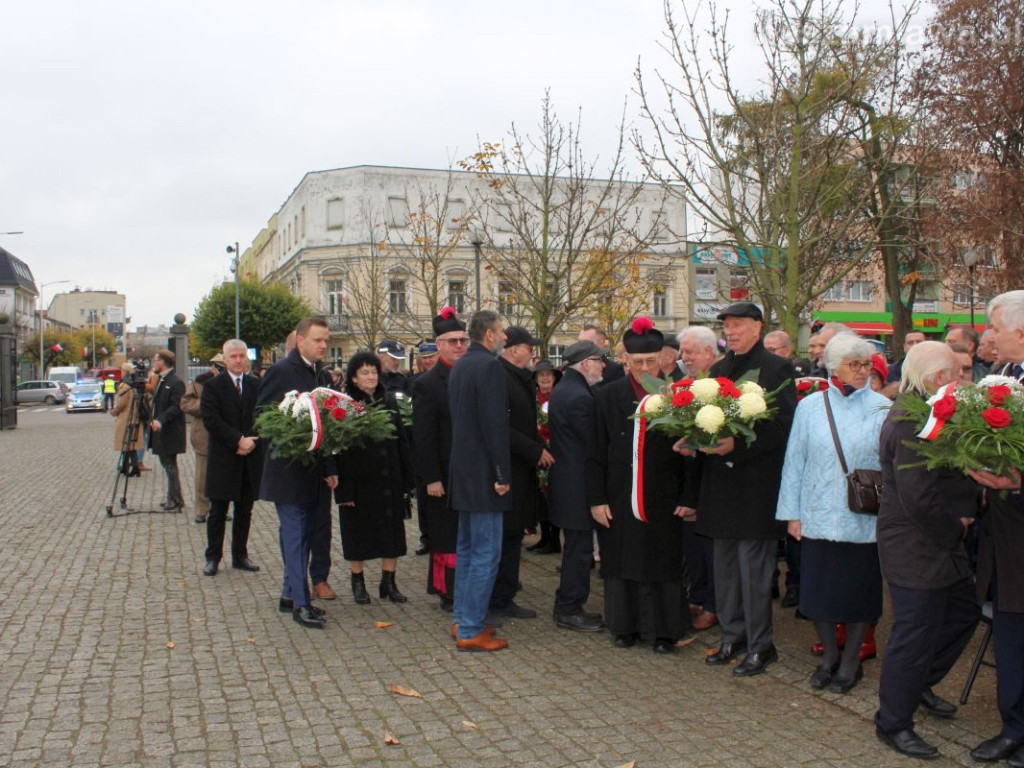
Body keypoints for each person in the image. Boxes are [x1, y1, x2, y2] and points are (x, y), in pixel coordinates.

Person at [678, 302, 797, 677]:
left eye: (738, 325)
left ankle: (761, 645)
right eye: (727, 326)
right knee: (726, 572)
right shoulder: (718, 370)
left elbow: (782, 427)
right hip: (720, 489)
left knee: (754, 575)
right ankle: (733, 636)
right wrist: (691, 439)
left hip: (755, 491)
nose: (730, 331)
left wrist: (738, 446)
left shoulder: (776, 368)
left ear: (757, 327)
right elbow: (704, 419)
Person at [874, 341, 980, 759]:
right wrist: (956, 528)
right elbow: (918, 495)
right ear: (938, 378)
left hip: (938, 542)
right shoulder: (909, 420)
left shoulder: (929, 410)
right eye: (958, 372)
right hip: (916, 545)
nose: (963, 378)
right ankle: (893, 722)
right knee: (913, 635)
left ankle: (916, 684)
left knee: (963, 612)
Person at [777, 334, 890, 693]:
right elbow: (794, 460)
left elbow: (890, 465)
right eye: (854, 364)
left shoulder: (883, 408)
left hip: (863, 518)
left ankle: (852, 660)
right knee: (819, 594)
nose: (862, 371)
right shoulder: (811, 407)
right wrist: (792, 514)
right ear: (833, 367)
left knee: (860, 596)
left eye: (866, 364)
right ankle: (829, 657)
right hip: (818, 514)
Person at [588, 317, 691, 653]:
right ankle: (624, 626)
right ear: (624, 359)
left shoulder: (679, 397)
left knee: (663, 562)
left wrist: (690, 497)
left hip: (665, 494)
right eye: (637, 362)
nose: (644, 368)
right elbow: (594, 451)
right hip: (619, 494)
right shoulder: (607, 396)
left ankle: (664, 633)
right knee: (622, 560)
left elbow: (693, 454)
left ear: (664, 358)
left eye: (651, 361)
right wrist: (596, 499)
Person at [969, 291, 1024, 766]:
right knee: (1011, 636)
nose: (989, 336)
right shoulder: (1001, 377)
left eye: (997, 329)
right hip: (1003, 537)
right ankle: (1014, 727)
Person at [257, 317, 339, 628]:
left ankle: (289, 595)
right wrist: (293, 429)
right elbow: (261, 415)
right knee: (294, 537)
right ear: (300, 341)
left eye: (326, 340)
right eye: (318, 340)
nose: (324, 345)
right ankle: (301, 605)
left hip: (314, 471)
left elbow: (326, 424)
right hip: (288, 471)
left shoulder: (321, 374)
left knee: (305, 535)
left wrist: (329, 467)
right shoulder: (281, 371)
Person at [447, 310, 511, 652]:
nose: (505, 337)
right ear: (489, 335)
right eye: (501, 331)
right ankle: (470, 628)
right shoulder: (489, 367)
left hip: (464, 471)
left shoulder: (461, 365)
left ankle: (462, 618)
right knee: (485, 554)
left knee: (469, 551)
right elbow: (494, 425)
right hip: (485, 475)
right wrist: (502, 474)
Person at [334, 351, 414, 605]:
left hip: (388, 478)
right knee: (357, 532)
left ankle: (388, 581)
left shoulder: (388, 400)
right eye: (364, 372)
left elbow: (401, 440)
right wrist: (343, 491)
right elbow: (339, 450)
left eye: (374, 372)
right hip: (358, 482)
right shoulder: (345, 405)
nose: (371, 377)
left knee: (392, 532)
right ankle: (357, 581)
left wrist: (407, 478)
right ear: (354, 378)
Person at [411, 307, 468, 610]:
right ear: (439, 344)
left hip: (468, 472)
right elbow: (423, 437)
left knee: (464, 533)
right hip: (442, 474)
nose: (459, 346)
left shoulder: (471, 374)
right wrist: (431, 477)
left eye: (463, 340)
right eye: (453, 341)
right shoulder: (427, 383)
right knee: (446, 535)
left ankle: (466, 586)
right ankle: (447, 591)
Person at [548, 339, 606, 632]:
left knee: (575, 548)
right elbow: (592, 444)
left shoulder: (565, 388)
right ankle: (569, 608)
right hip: (577, 485)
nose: (603, 366)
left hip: (567, 482)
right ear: (585, 364)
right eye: (599, 361)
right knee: (579, 551)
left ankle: (567, 604)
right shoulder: (580, 396)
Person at [492, 327, 549, 619]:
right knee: (505, 536)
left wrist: (540, 445)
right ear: (514, 350)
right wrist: (535, 450)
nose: (533, 353)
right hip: (507, 469)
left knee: (514, 535)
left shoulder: (520, 376)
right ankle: (499, 598)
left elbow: (525, 424)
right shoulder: (499, 376)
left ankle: (506, 594)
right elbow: (502, 427)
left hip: (521, 468)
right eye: (529, 347)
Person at [200, 340, 261, 577]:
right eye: (233, 356)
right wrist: (238, 440)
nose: (238, 360)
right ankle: (213, 557)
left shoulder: (256, 384)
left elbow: (261, 415)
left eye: (242, 356)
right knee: (218, 511)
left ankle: (240, 555)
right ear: (224, 359)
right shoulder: (213, 386)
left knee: (245, 510)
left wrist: (250, 441)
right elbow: (211, 419)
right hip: (224, 457)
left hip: (249, 457)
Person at [675, 326, 719, 631]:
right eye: (682, 352)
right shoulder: (683, 386)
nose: (684, 357)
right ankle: (698, 595)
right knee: (693, 544)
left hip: (713, 481)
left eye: (689, 352)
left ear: (708, 352)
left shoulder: (722, 386)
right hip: (687, 481)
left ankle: (713, 604)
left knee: (710, 549)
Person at [180, 354, 224, 525]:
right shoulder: (198, 383)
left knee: (223, 475)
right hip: (204, 435)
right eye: (217, 367)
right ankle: (201, 509)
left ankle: (221, 508)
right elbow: (185, 404)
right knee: (203, 476)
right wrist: (206, 404)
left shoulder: (232, 383)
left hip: (225, 435)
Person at [528, 359, 562, 554]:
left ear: (554, 378)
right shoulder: (531, 397)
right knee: (539, 498)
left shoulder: (559, 396)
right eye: (541, 375)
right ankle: (544, 537)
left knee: (552, 497)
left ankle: (554, 540)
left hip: (554, 453)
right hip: (536, 452)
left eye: (549, 374)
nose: (545, 378)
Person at [149, 350, 186, 512]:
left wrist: (160, 420)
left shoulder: (175, 382)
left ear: (162, 362)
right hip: (161, 430)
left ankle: (174, 499)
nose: (153, 364)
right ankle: (176, 497)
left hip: (170, 430)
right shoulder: (162, 380)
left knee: (170, 465)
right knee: (167, 464)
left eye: (155, 360)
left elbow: (176, 406)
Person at [112, 362, 149, 476]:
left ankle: (131, 466)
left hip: (126, 418)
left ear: (124, 371)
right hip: (134, 417)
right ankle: (130, 466)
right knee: (130, 445)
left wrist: (114, 411)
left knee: (126, 444)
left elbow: (121, 404)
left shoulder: (126, 386)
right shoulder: (135, 385)